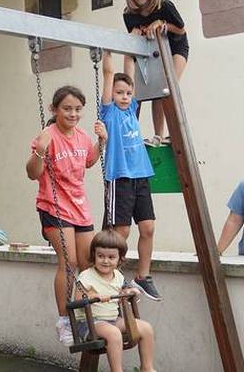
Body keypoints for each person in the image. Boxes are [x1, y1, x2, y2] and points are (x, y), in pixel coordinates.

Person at [26, 85, 107, 345]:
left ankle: (85, 316)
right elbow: (32, 173)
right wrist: (40, 150)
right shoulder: (47, 136)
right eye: (67, 109)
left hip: (79, 207)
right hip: (53, 206)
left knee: (87, 263)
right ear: (54, 109)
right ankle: (64, 320)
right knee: (69, 261)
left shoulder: (82, 136)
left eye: (77, 109)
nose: (73, 114)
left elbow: (88, 161)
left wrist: (101, 142)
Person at [100, 51, 162, 301]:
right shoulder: (110, 113)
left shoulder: (132, 108)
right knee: (121, 232)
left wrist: (130, 47)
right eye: (119, 93)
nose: (124, 97)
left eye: (127, 93)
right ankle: (113, 277)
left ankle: (143, 276)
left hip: (141, 175)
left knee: (148, 227)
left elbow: (130, 72)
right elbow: (108, 74)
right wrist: (106, 51)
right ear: (112, 95)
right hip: (120, 176)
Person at [123, 0, 189, 147]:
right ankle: (146, 135)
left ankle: (166, 133)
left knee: (166, 88)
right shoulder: (129, 14)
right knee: (148, 92)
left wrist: (162, 23)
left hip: (175, 47)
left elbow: (181, 29)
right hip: (151, 52)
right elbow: (134, 38)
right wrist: (136, 33)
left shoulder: (165, 6)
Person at [75, 230, 156, 372]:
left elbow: (125, 290)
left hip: (113, 320)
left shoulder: (118, 276)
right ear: (94, 255)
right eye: (100, 256)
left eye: (111, 257)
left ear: (120, 259)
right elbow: (78, 299)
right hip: (90, 323)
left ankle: (147, 368)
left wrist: (130, 292)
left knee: (146, 328)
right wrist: (94, 296)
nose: (105, 261)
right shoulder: (86, 276)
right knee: (114, 333)